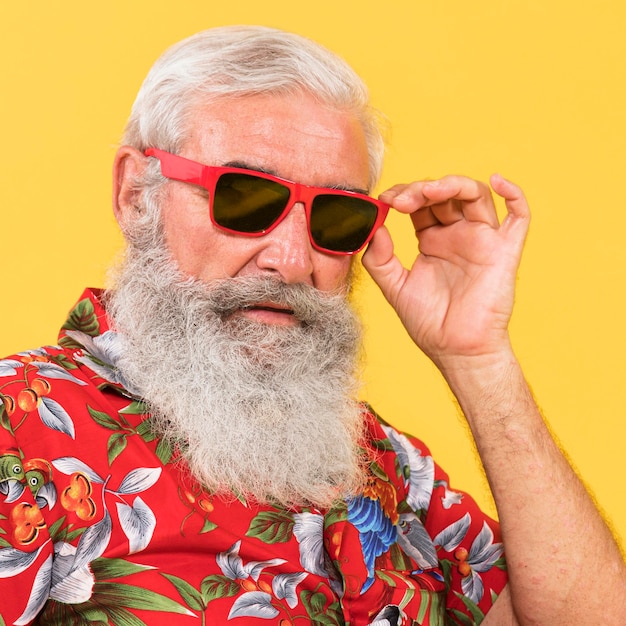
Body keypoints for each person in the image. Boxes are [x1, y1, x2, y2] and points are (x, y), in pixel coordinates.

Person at [0, 25, 623, 625]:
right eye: (243, 197)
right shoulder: (21, 431)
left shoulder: (389, 465)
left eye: (337, 217)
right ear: (138, 194)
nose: (293, 261)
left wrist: (479, 359)